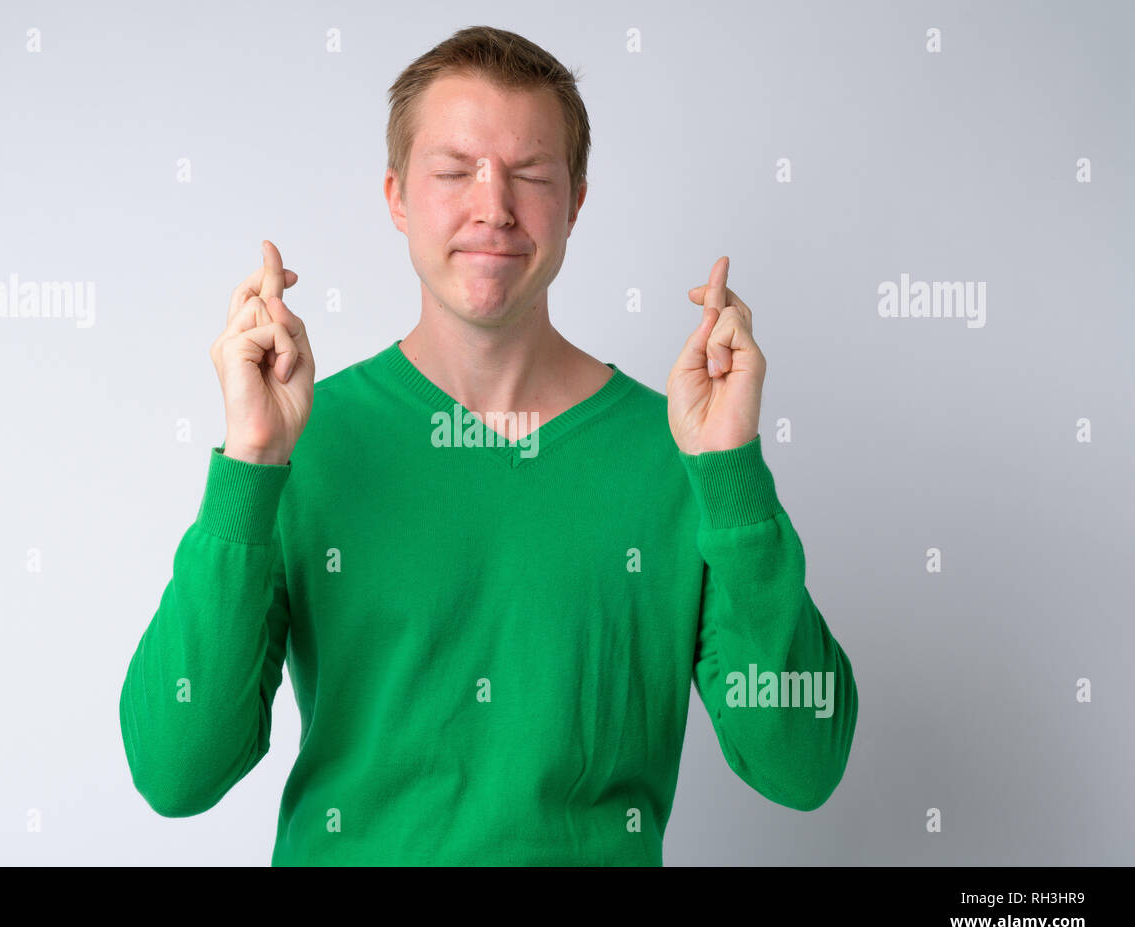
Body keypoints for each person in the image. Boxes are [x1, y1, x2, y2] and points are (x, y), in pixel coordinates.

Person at [119, 25, 858, 866]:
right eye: (454, 170)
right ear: (397, 196)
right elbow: (177, 772)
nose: (493, 206)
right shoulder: (301, 444)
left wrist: (730, 474)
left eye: (531, 174)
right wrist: (249, 466)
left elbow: (802, 764)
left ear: (576, 200)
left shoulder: (679, 456)